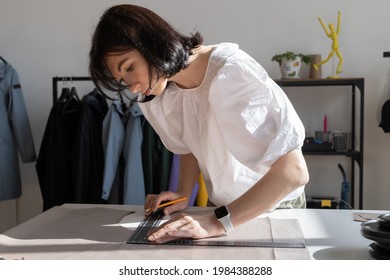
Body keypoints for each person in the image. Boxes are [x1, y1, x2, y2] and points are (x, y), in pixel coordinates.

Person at [89, 4, 309, 244]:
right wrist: (183, 194)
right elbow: (189, 144)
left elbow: (293, 172)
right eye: (122, 79)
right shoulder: (159, 94)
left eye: (130, 67)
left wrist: (216, 222)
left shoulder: (231, 73)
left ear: (152, 42)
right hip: (224, 211)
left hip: (273, 206)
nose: (132, 87)